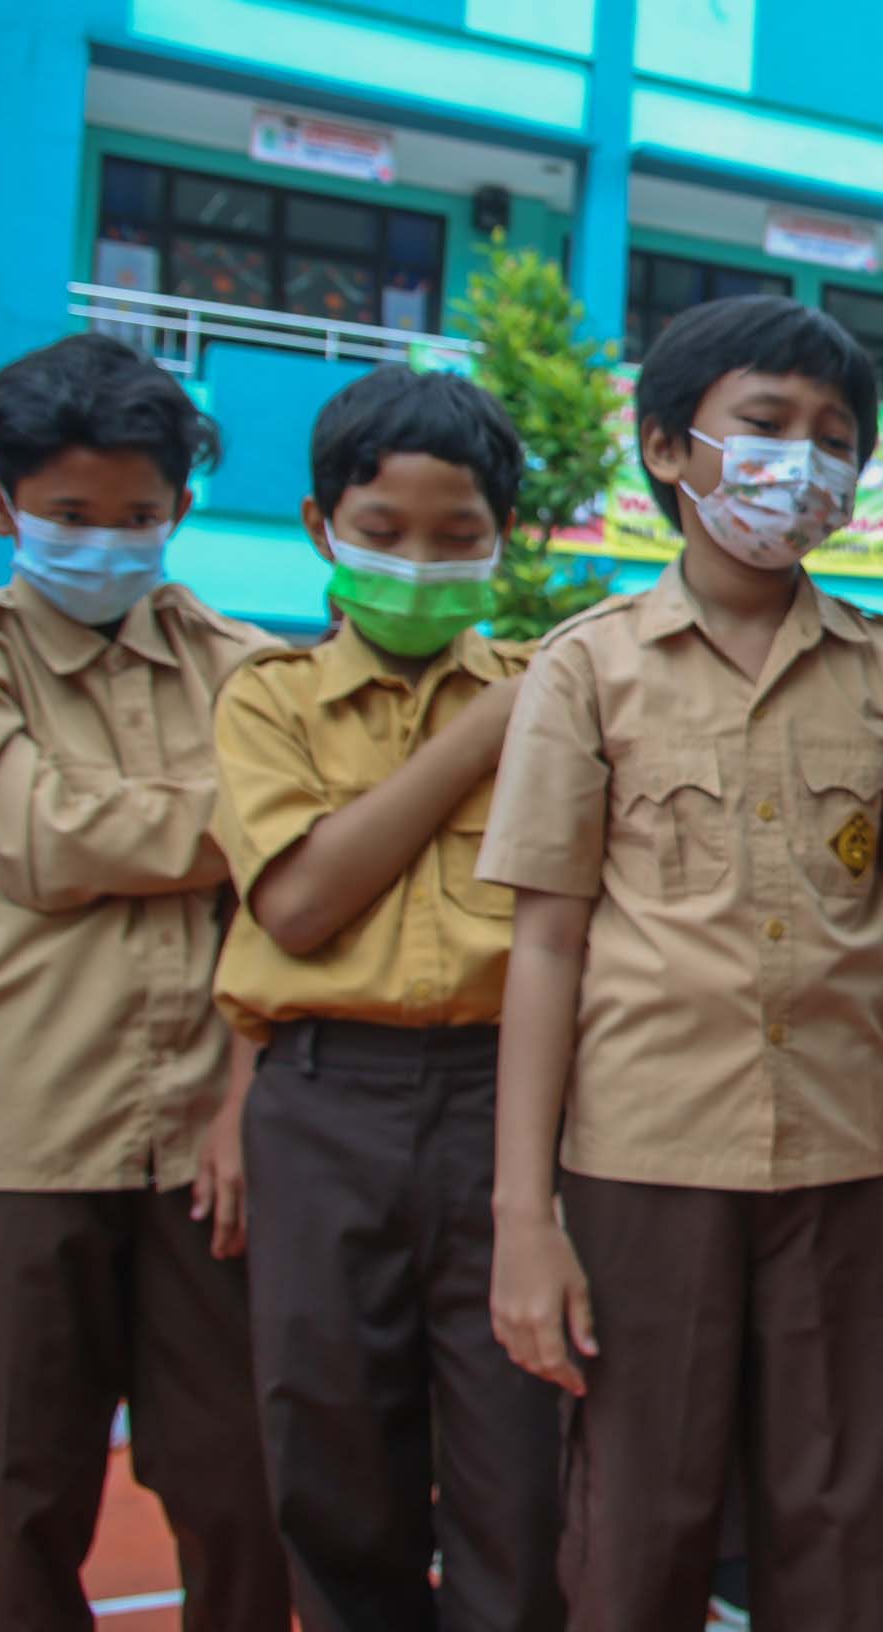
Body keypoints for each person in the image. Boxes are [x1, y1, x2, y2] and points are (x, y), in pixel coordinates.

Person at [480, 294, 883, 1630]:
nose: (800, 463)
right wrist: (522, 1218)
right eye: (763, 426)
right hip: (643, 1158)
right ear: (666, 449)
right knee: (640, 1514)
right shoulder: (585, 672)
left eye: (835, 440)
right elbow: (544, 947)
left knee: (838, 1514)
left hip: (844, 1160)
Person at [0, 335, 291, 1627]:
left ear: (178, 511)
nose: (107, 543)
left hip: (210, 1136)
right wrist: (235, 818)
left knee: (239, 1483)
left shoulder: (243, 662)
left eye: (139, 517)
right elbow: (32, 839)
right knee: (18, 1488)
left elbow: (287, 895)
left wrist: (243, 1099)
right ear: (1, 507)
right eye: (70, 517)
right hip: (14, 1125)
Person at [207, 367, 561, 1631]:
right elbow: (297, 907)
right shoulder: (266, 697)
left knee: (519, 1468)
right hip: (320, 1107)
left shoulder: (557, 694)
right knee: (330, 1454)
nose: (420, 564)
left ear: (502, 542)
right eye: (382, 534)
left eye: (458, 539)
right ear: (319, 530)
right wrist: (477, 737)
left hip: (506, 1107)